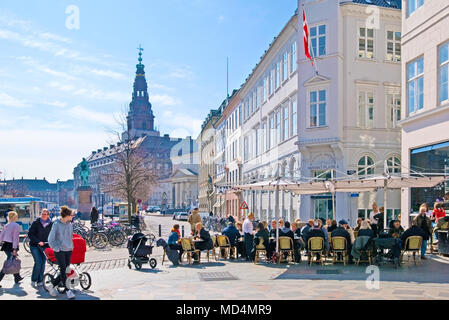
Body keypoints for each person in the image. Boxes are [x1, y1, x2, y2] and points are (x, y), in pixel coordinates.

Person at [47, 206, 75, 299]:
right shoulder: (56, 224)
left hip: (68, 250)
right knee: (63, 269)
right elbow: (50, 239)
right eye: (72, 215)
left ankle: (52, 285)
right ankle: (68, 291)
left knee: (66, 270)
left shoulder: (70, 224)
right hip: (59, 250)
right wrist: (56, 248)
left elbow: (70, 237)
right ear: (67, 215)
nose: (73, 216)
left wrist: (71, 246)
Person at [28, 209, 53, 287]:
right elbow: (30, 234)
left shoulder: (51, 224)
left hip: (45, 246)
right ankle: (33, 280)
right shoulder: (36, 223)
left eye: (45, 214)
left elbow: (53, 235)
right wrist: (38, 241)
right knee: (38, 262)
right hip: (34, 245)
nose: (44, 215)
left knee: (43, 263)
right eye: (42, 214)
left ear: (48, 215)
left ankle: (40, 280)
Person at [0, 211, 23, 287]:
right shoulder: (16, 225)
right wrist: (15, 249)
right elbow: (15, 238)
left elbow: (1, 236)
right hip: (12, 245)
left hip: (6, 245)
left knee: (12, 260)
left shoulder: (6, 225)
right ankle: (1, 277)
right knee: (9, 262)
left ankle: (17, 277)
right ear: (14, 217)